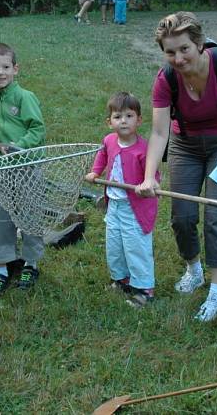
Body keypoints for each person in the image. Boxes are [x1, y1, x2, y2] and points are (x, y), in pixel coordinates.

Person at [136, 11, 217, 322]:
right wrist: (149, 176)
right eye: (170, 52)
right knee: (182, 216)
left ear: (200, 44)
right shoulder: (165, 79)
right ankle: (194, 270)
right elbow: (160, 132)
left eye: (184, 49)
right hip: (185, 146)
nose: (178, 58)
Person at [0, 43, 46, 296]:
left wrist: (18, 146)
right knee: (0, 217)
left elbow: (37, 130)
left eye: (5, 67)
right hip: (3, 170)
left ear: (15, 69)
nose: (0, 72)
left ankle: (31, 263)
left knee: (30, 215)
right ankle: (1, 268)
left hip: (27, 168)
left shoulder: (24, 97)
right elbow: (0, 126)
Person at [86, 92, 159, 308]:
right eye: (118, 117)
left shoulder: (144, 149)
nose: (124, 121)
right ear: (110, 122)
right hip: (114, 205)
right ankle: (122, 279)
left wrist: (149, 185)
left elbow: (153, 175)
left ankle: (144, 288)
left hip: (135, 207)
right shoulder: (109, 141)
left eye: (129, 116)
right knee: (115, 245)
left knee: (136, 246)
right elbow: (103, 156)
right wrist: (95, 172)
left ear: (139, 120)